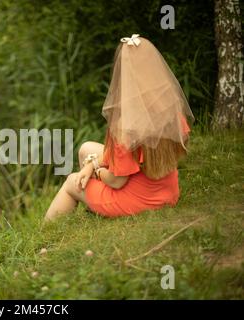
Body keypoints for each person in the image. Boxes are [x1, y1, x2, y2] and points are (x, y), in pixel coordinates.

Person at [45, 34, 194, 221]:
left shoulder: (126, 125)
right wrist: (91, 164)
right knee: (87, 149)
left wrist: (96, 172)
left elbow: (116, 181)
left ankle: (44, 237)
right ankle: (94, 209)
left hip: (139, 200)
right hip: (166, 192)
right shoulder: (169, 109)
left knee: (70, 183)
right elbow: (134, 157)